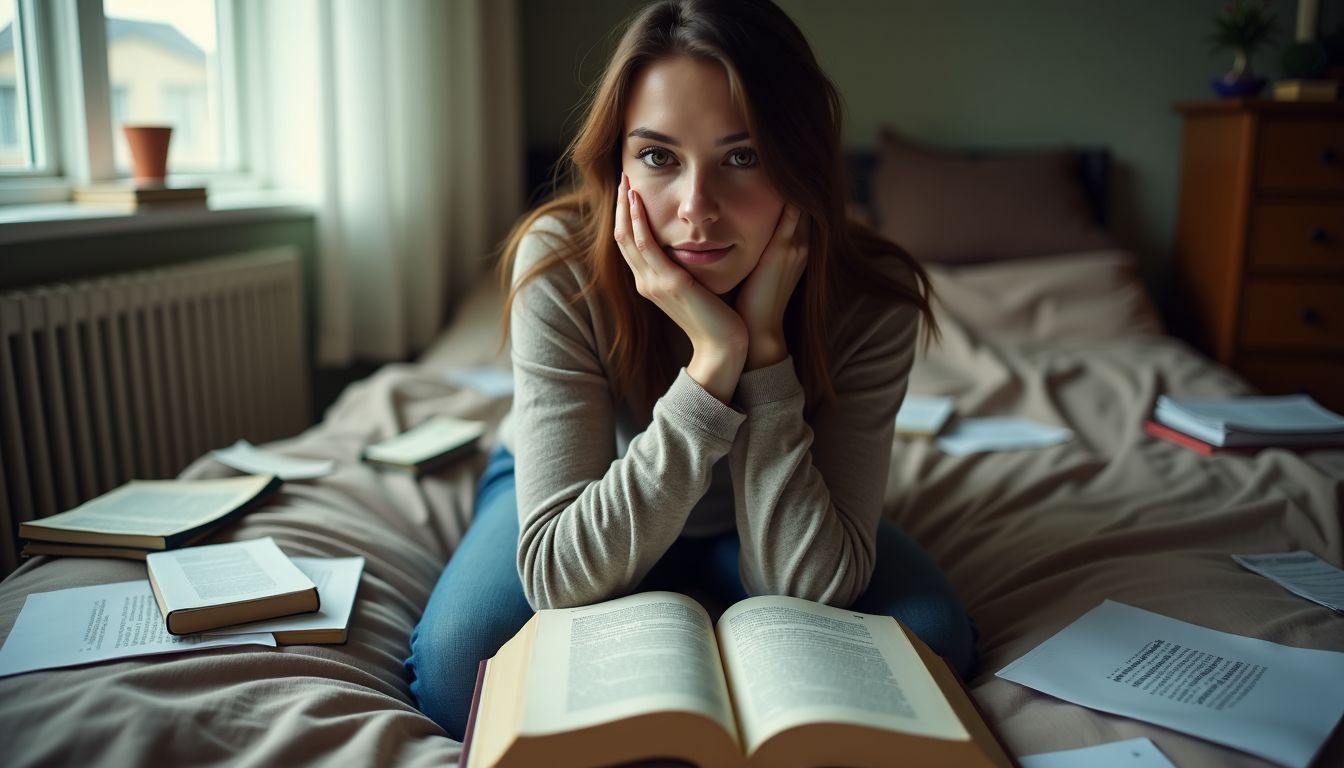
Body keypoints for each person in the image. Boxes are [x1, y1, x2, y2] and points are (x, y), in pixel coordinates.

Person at [405, 0, 976, 740]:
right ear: (617, 165)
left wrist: (765, 350)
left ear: (800, 162)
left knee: (929, 649)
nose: (696, 210)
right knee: (463, 672)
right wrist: (713, 365)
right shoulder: (560, 267)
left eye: (744, 157)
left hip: (777, 498)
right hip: (591, 489)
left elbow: (807, 586)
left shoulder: (870, 299)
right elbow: (558, 574)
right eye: (658, 157)